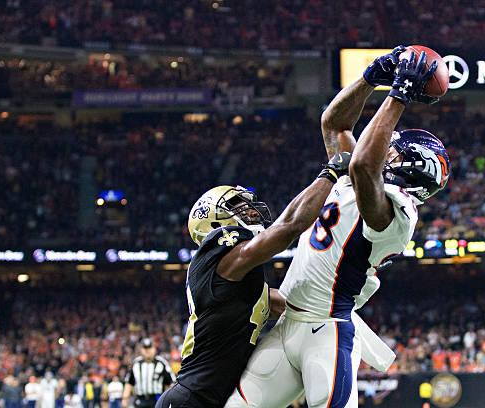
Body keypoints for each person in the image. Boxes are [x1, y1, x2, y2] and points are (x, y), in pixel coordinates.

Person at [225, 47, 448, 408]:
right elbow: (334, 123)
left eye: (395, 152)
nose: (385, 152)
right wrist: (371, 78)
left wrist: (399, 94)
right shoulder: (358, 178)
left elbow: (362, 167)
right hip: (287, 324)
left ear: (415, 168)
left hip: (327, 332)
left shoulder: (399, 212)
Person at [154, 147, 352, 408]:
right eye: (235, 205)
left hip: (218, 399)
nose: (250, 210)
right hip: (192, 399)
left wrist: (354, 270)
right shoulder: (217, 252)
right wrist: (330, 174)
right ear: (213, 223)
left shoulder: (239, 286)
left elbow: (296, 305)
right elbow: (288, 227)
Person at [122, 339, 174, 408]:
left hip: (157, 398)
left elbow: (170, 383)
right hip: (140, 399)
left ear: (154, 349)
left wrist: (170, 400)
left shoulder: (161, 363)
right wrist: (125, 399)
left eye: (149, 348)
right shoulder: (136, 364)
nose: (147, 351)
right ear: (141, 349)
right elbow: (129, 382)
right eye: (145, 348)